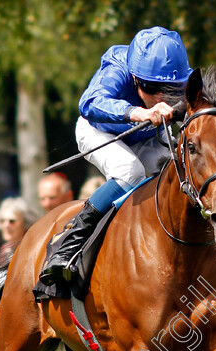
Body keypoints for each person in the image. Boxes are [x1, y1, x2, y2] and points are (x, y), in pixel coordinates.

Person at [39, 26, 193, 285]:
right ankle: (68, 244)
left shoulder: (183, 78)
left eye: (173, 89)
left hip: (145, 137)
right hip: (99, 131)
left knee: (175, 172)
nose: (162, 97)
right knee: (129, 171)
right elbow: (89, 103)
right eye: (154, 88)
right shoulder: (118, 66)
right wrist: (137, 112)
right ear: (135, 78)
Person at [0, 196, 38, 261]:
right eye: (3, 221)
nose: (6, 225)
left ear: (25, 223)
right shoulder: (5, 250)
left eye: (12, 221)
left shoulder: (33, 249)